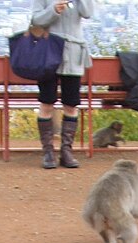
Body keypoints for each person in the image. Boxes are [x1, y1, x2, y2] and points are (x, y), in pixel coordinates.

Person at [30, 0, 93, 170]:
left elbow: (87, 13)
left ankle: (66, 151)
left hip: (73, 54)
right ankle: (48, 152)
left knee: (71, 104)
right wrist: (53, 10)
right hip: (48, 52)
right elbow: (36, 20)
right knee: (46, 102)